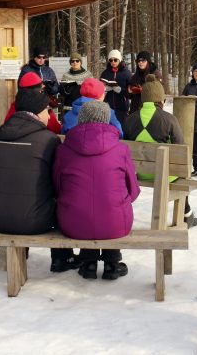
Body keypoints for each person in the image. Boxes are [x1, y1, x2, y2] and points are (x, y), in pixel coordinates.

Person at [0, 82, 79, 272]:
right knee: (59, 200)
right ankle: (62, 258)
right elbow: (58, 182)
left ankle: (22, 252)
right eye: (47, 110)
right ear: (36, 112)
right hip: (35, 220)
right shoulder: (47, 140)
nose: (50, 115)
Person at [54, 101, 140, 280]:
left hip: (73, 224)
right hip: (116, 224)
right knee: (110, 209)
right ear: (107, 120)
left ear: (81, 119)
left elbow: (57, 187)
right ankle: (112, 262)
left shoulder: (64, 149)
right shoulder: (121, 149)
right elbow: (133, 190)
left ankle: (88, 262)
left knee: (83, 206)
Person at [123, 74, 197, 228]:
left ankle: (188, 213)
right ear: (160, 100)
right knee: (181, 171)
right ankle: (186, 214)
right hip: (165, 174)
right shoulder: (169, 119)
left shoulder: (130, 119)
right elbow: (181, 148)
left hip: (139, 172)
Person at [100, 49, 132, 124]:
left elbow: (131, 93)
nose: (113, 62)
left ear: (119, 60)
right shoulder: (105, 73)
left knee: (121, 130)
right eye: (111, 60)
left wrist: (121, 90)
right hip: (108, 107)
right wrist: (105, 89)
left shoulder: (127, 73)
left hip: (122, 108)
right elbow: (99, 89)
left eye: (115, 60)